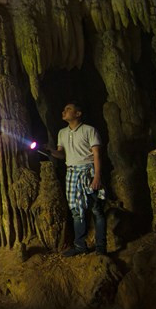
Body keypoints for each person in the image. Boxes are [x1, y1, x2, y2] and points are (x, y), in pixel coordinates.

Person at [47, 102, 107, 256]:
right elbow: (62, 155)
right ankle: (80, 246)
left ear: (78, 113)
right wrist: (50, 151)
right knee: (76, 211)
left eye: (68, 109)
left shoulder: (89, 130)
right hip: (72, 172)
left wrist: (97, 177)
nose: (64, 111)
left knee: (96, 210)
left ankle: (101, 246)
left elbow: (97, 155)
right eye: (64, 109)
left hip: (88, 171)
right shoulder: (62, 133)